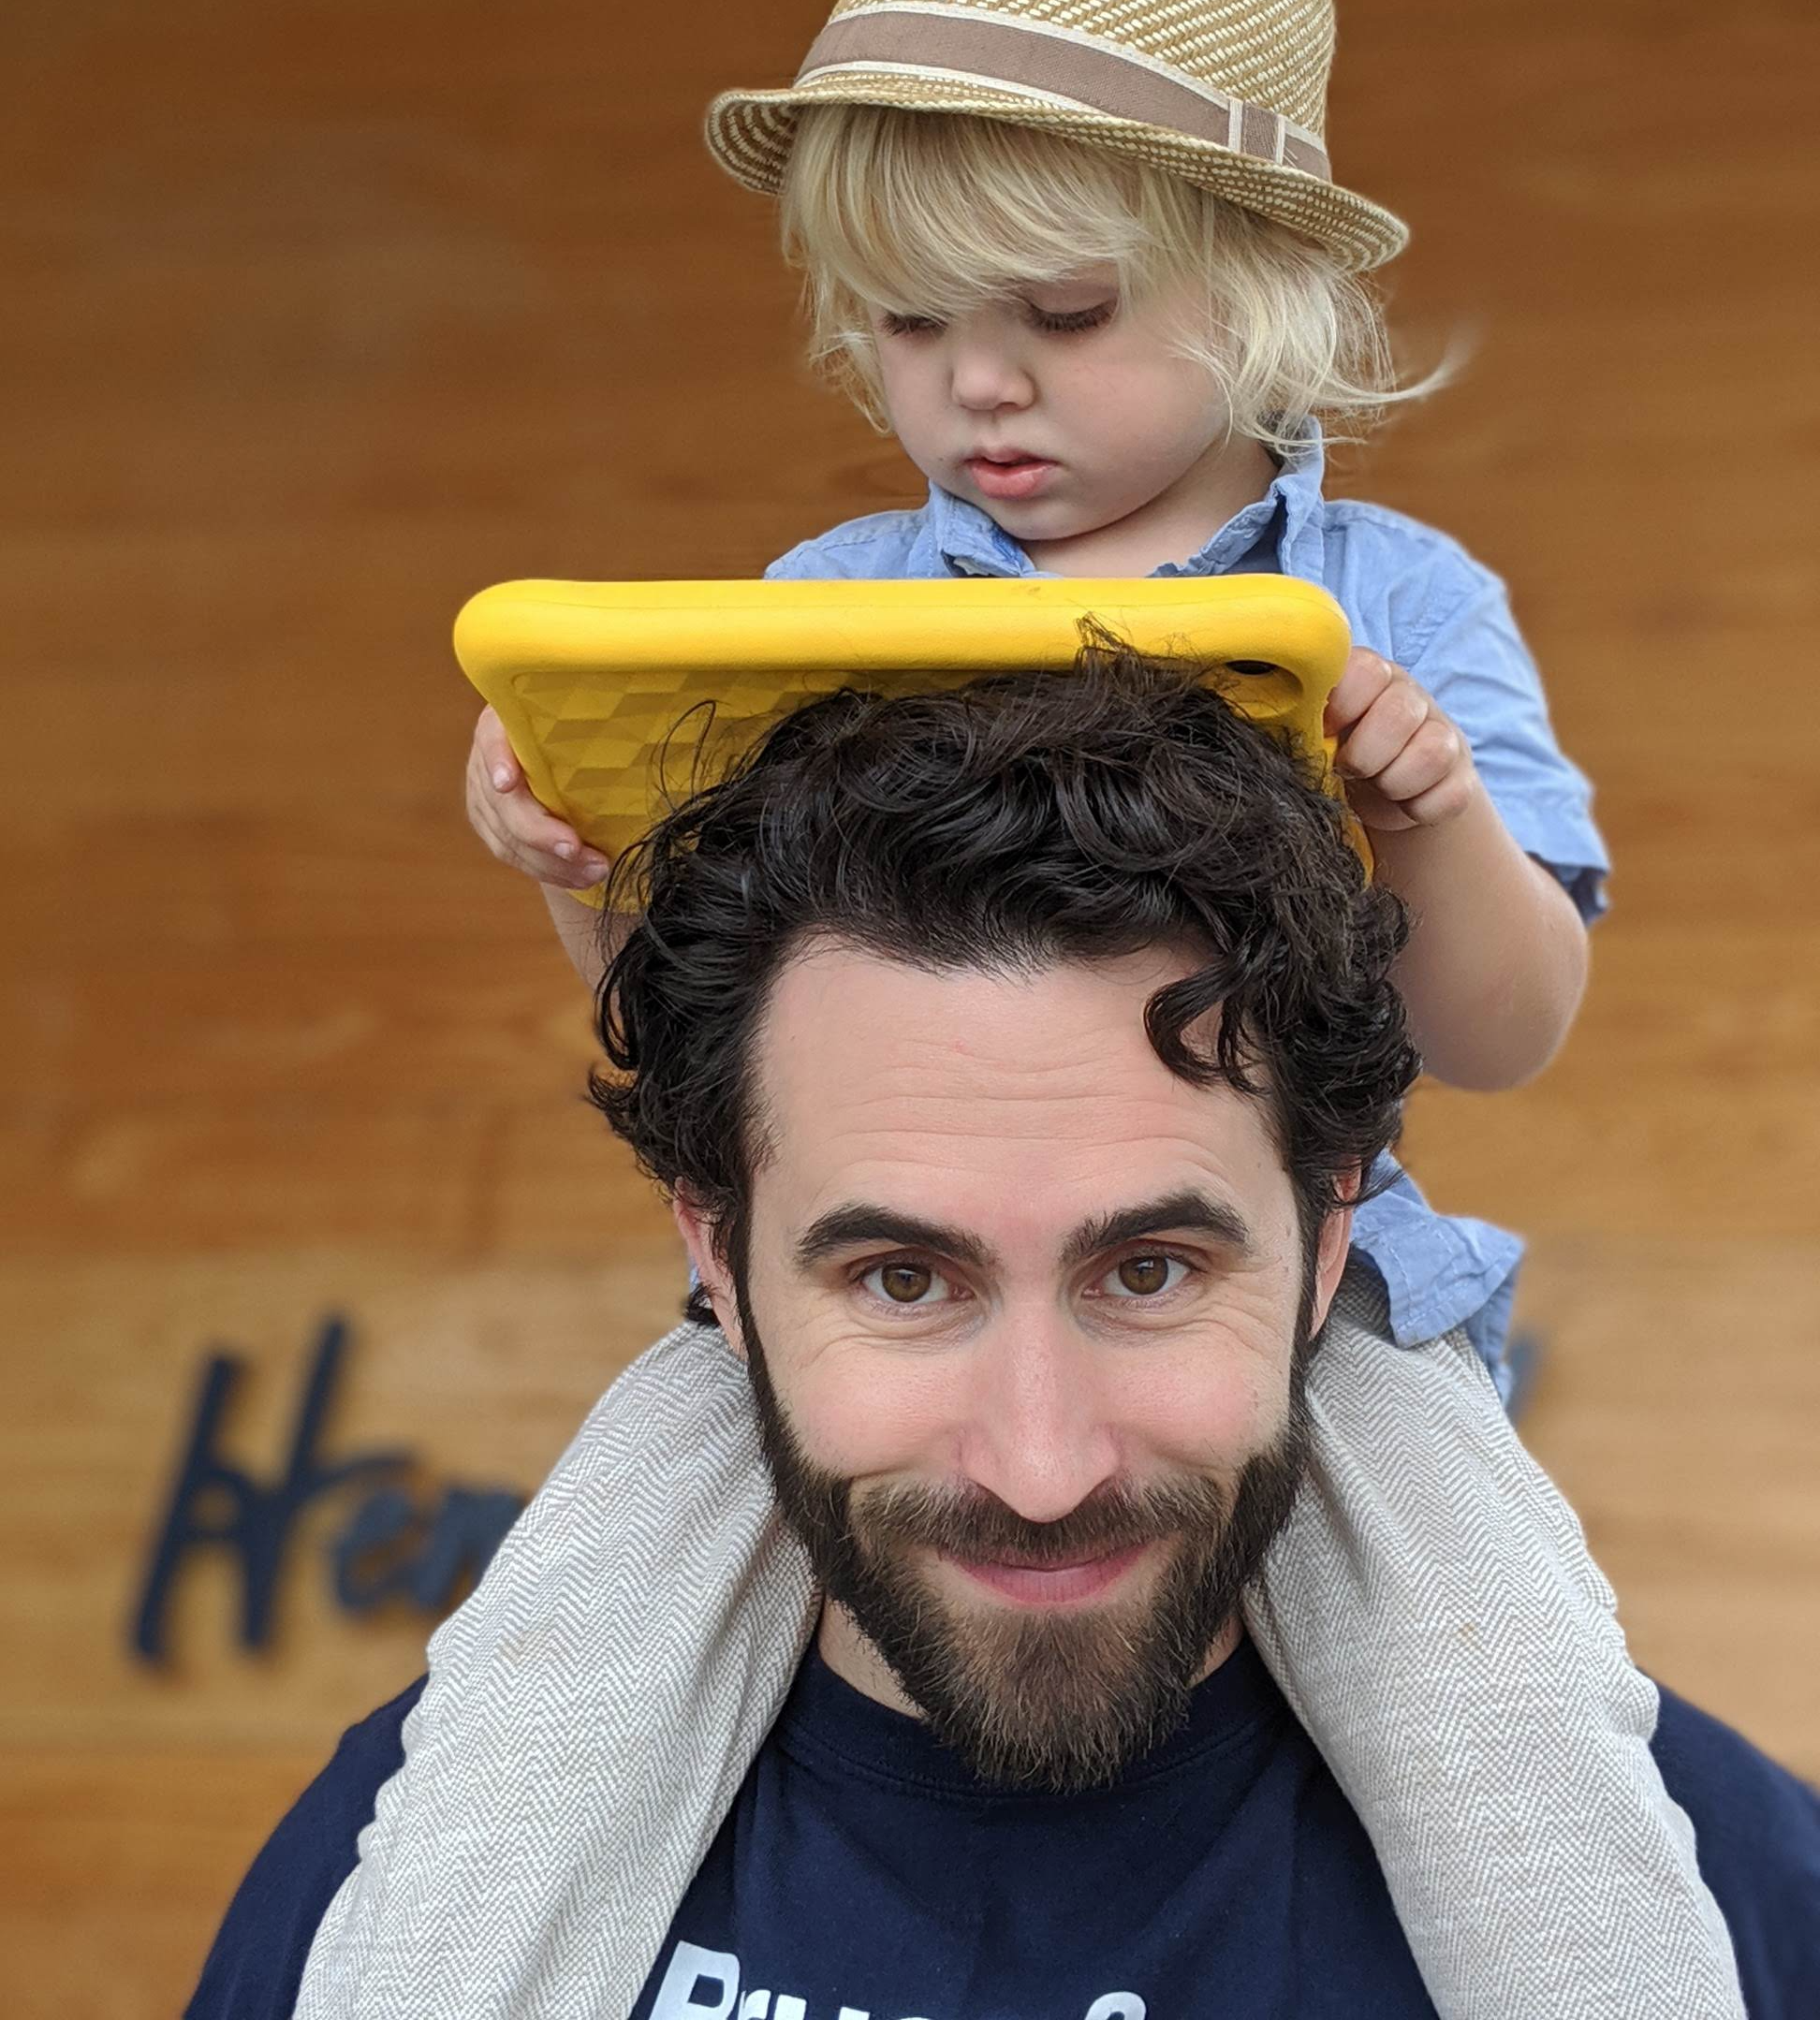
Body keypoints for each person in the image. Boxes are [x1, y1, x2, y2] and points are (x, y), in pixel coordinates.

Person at [455, 0, 1736, 2013]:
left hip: (1315, 1313)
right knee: (517, 1719)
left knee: (1519, 1725)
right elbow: (711, 1060)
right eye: (907, 325)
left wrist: (1426, 823)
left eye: (1057, 318)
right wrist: (583, 880)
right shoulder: (825, 605)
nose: (977, 392)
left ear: (1265, 293)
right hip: (850, 1316)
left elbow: (1513, 1033)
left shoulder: (1399, 599)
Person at [198, 657, 1817, 2019]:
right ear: (719, 1258)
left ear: (1331, 1246)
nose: (1040, 1465)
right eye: (905, 1282)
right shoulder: (411, 1895)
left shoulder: (1688, 1891)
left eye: (1153, 1271)